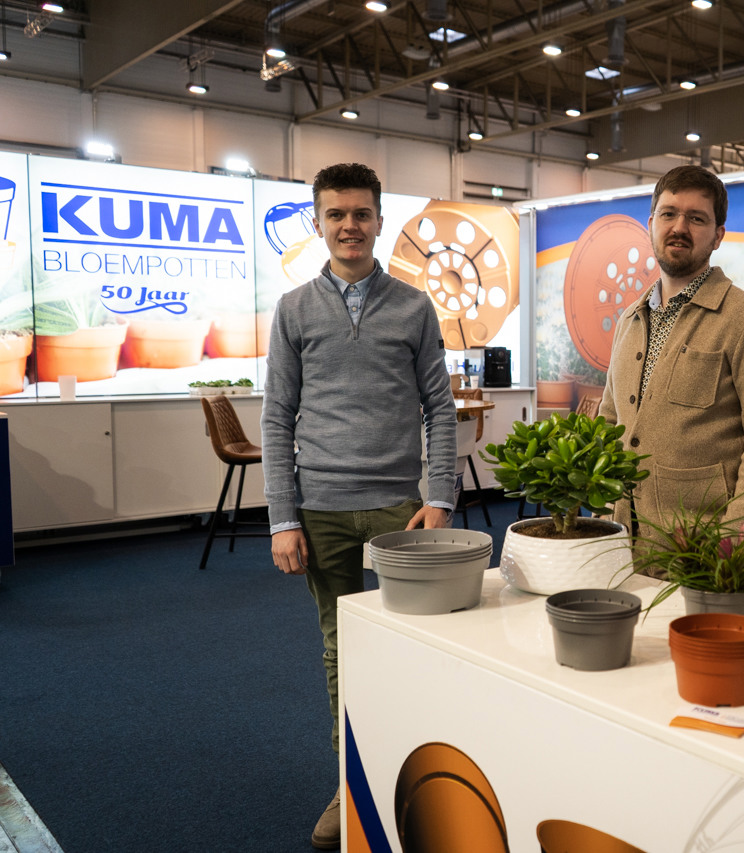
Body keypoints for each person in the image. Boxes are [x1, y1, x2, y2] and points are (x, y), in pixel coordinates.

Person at [260, 163, 457, 850]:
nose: (349, 225)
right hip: (320, 513)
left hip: (400, 510)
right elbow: (277, 418)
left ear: (378, 220)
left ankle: (417, 778)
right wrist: (283, 518)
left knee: (414, 647)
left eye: (361, 213)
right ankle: (352, 786)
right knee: (340, 650)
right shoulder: (293, 309)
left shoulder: (414, 307)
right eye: (336, 214)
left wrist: (439, 497)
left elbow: (439, 407)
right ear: (319, 223)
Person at [599, 165, 744, 547]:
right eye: (668, 214)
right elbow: (608, 419)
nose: (679, 227)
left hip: (704, 546)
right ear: (651, 224)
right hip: (622, 536)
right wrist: (602, 511)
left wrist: (735, 536)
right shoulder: (630, 320)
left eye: (696, 218)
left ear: (718, 235)